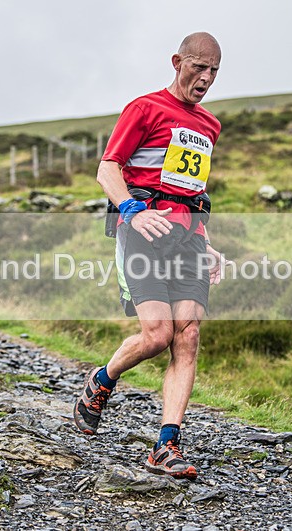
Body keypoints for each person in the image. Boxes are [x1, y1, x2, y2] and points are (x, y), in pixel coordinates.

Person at [74, 32, 226, 480]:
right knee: (157, 334)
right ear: (177, 61)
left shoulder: (209, 125)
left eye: (214, 71)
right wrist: (132, 210)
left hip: (188, 240)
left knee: (188, 335)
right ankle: (102, 380)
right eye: (198, 67)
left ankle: (166, 445)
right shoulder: (144, 108)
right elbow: (107, 169)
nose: (206, 78)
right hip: (142, 231)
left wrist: (207, 240)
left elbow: (192, 191)